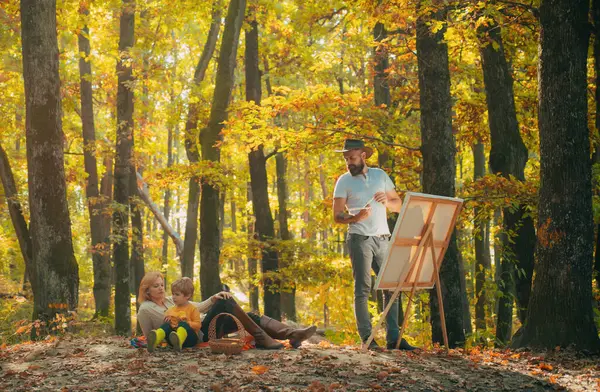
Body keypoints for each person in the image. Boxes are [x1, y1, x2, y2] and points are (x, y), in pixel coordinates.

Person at [332, 139, 415, 351]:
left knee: (392, 287)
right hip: (359, 239)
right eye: (346, 159)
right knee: (363, 288)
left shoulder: (380, 175)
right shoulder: (343, 181)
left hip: (383, 238)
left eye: (351, 158)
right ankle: (368, 339)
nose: (348, 162)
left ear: (363, 156)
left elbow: (398, 204)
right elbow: (337, 216)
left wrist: (387, 202)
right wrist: (355, 217)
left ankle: (394, 338)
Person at [137, 272, 316, 350]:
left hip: (206, 324)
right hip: (198, 333)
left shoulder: (169, 299)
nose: (161, 289)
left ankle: (292, 334)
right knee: (226, 301)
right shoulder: (146, 309)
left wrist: (213, 298)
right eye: (155, 286)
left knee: (248, 315)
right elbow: (148, 335)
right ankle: (264, 338)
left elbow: (195, 307)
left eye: (161, 285)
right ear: (146, 290)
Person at [147, 277, 201, 352]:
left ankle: (179, 339)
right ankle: (155, 340)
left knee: (183, 324)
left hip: (189, 339)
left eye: (177, 294)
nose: (173, 297)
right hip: (173, 340)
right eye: (173, 294)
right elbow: (167, 325)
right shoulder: (170, 310)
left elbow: (198, 326)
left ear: (187, 296)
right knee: (166, 326)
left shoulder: (193, 309)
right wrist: (167, 321)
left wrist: (188, 322)